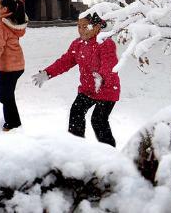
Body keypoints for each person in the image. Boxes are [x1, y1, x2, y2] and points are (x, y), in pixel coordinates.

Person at [32, 13, 120, 147]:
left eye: (85, 26)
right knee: (76, 113)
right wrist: (47, 73)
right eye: (78, 26)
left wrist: (101, 77)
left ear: (96, 27)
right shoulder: (78, 44)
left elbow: (109, 64)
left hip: (106, 89)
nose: (81, 30)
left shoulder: (105, 43)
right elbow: (65, 62)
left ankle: (110, 154)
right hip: (88, 90)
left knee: (98, 120)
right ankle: (76, 148)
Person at [0, 0, 28, 131]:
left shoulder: (1, 27)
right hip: (18, 65)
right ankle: (13, 121)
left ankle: (13, 123)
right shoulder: (16, 23)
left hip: (8, 68)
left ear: (4, 9)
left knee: (5, 97)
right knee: (7, 96)